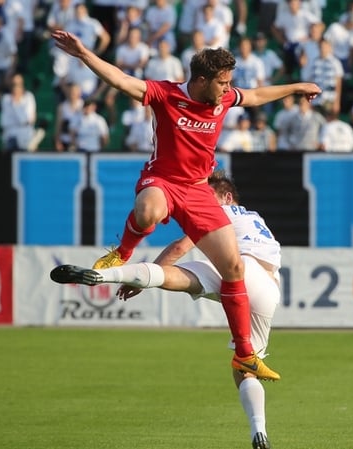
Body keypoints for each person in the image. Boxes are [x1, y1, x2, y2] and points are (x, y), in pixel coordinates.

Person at [51, 29, 321, 380]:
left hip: (198, 191)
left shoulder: (222, 100)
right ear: (202, 79)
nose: (227, 89)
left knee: (234, 269)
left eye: (228, 83)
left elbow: (255, 96)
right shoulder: (165, 94)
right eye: (222, 82)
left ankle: (245, 355)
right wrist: (85, 54)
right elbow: (120, 80)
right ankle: (123, 252)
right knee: (147, 210)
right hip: (163, 181)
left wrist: (297, 87)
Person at [50, 171, 280, 449]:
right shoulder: (255, 218)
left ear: (227, 197)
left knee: (170, 274)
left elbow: (181, 246)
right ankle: (259, 430)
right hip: (267, 289)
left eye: (209, 196)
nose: (202, 203)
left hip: (241, 270)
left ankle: (105, 275)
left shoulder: (223, 213)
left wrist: (144, 281)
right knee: (244, 366)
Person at [0, 73, 37, 151]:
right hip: (10, 135)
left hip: (25, 136)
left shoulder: (29, 97)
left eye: (19, 84)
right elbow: (5, 121)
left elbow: (28, 119)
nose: (16, 87)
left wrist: (17, 102)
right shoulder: (6, 98)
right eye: (14, 84)